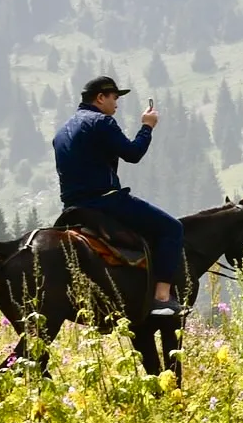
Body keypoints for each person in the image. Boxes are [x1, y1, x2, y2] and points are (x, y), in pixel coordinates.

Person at [52, 76, 185, 318]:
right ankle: (162, 297)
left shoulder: (61, 131)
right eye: (114, 98)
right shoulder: (102, 122)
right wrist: (147, 126)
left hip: (71, 208)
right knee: (172, 228)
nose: (116, 104)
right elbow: (133, 154)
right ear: (100, 97)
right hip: (104, 201)